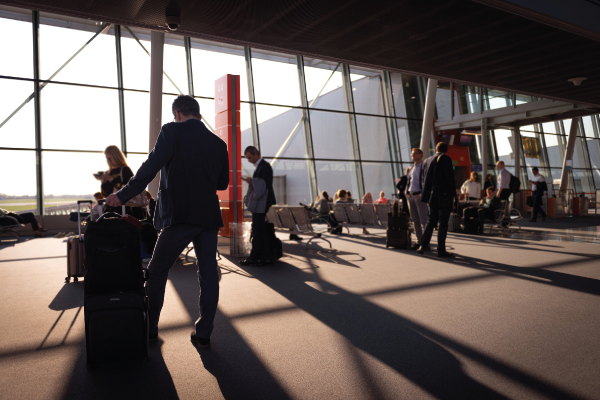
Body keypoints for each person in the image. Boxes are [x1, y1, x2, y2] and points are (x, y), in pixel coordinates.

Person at [105, 95, 229, 348]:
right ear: (198, 114)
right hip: (207, 217)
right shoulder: (218, 143)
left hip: (179, 216)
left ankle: (150, 329)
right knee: (208, 274)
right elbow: (222, 184)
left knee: (157, 270)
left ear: (178, 114)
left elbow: (150, 167)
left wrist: (122, 195)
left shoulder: (172, 131)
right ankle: (204, 334)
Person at [418, 142, 456, 258]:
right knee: (443, 223)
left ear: (436, 149)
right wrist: (453, 195)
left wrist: (426, 194)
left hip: (431, 196)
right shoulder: (446, 159)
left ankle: (423, 245)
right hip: (443, 196)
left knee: (431, 221)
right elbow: (450, 178)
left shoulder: (426, 160)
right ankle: (441, 251)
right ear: (446, 150)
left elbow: (422, 179)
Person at [240, 146, 276, 266]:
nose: (249, 160)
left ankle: (254, 257)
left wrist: (251, 181)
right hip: (263, 202)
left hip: (262, 203)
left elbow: (262, 187)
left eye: (250, 157)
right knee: (261, 230)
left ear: (256, 154)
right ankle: (266, 257)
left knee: (257, 230)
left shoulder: (264, 166)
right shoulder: (263, 166)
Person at [405, 148, 429, 250]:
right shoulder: (411, 168)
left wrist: (422, 194)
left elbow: (428, 182)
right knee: (415, 220)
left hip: (419, 196)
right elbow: (408, 181)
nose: (412, 155)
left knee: (424, 220)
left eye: (414, 154)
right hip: (411, 196)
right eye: (412, 154)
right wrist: (406, 192)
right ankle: (419, 241)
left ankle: (425, 243)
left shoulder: (424, 167)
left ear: (421, 154)